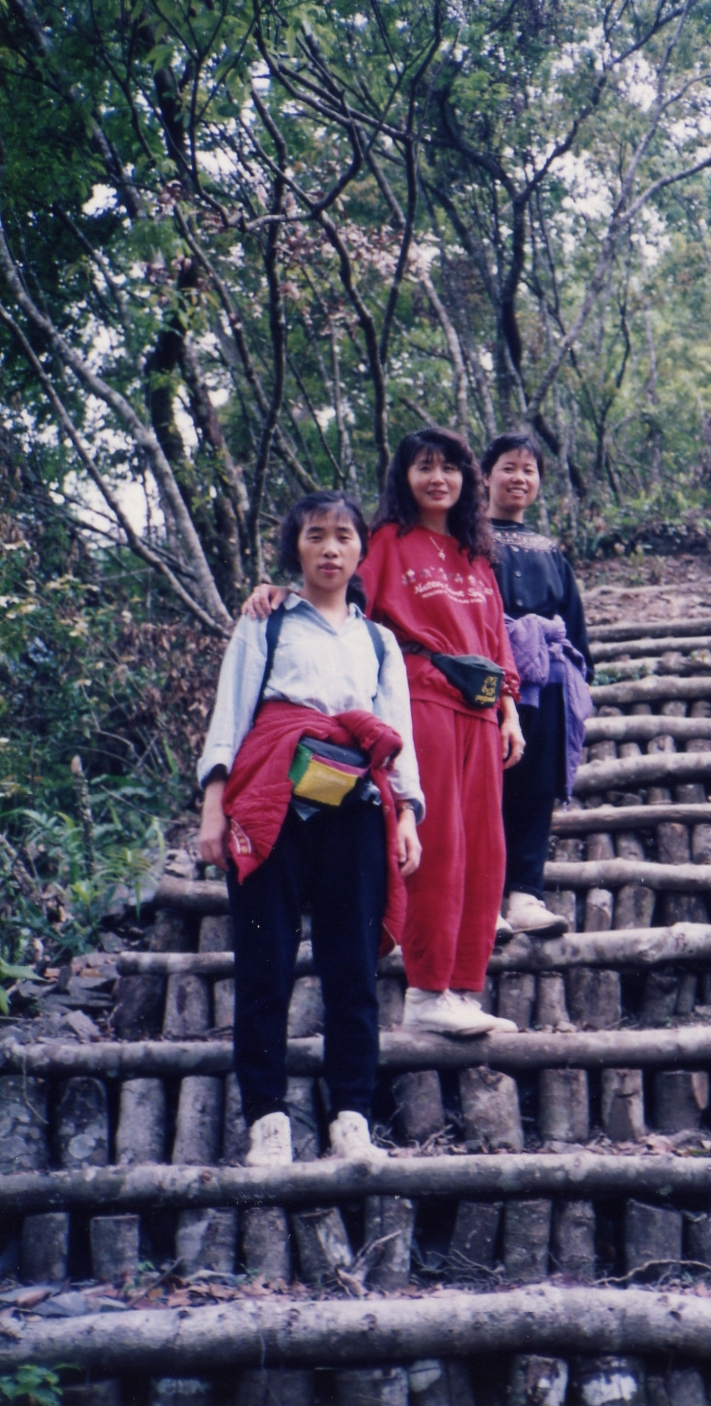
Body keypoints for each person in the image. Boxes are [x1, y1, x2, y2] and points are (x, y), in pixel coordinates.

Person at [245, 428, 525, 1038]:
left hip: (480, 714)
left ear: (468, 480)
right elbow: (335, 594)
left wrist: (510, 709)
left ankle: (463, 988)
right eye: (424, 467)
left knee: (485, 852)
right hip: (423, 702)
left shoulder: (477, 554)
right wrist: (279, 591)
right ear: (404, 477)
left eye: (450, 468)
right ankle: (426, 991)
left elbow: (496, 641)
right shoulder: (388, 543)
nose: (438, 479)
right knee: (441, 847)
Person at [197, 491, 424, 1167]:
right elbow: (232, 712)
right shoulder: (265, 623)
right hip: (270, 803)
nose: (330, 548)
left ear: (361, 551)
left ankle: (351, 1116)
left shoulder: (378, 641)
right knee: (263, 964)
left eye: (344, 536)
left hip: (355, 809)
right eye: (315, 535)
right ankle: (267, 1120)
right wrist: (213, 806)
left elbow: (397, 731)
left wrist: (407, 813)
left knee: (352, 969)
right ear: (295, 547)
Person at [482, 432, 594, 935]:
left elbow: (573, 623)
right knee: (486, 786)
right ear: (485, 476)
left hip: (547, 678)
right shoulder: (465, 541)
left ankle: (524, 896)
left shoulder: (551, 551)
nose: (519, 478)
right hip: (486, 676)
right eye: (508, 467)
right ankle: (484, 900)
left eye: (529, 470)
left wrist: (578, 679)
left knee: (536, 786)